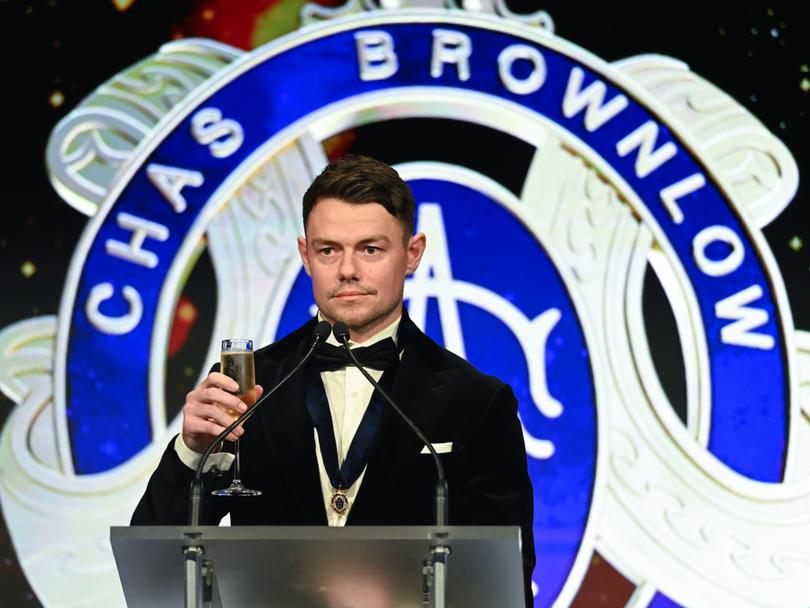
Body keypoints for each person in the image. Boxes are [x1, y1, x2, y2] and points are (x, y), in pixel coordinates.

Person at [132, 154, 535, 605]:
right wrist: (191, 451)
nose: (347, 270)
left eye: (370, 249)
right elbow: (156, 557)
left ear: (413, 253)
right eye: (329, 250)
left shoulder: (477, 402)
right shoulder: (247, 385)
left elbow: (505, 583)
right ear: (306, 255)